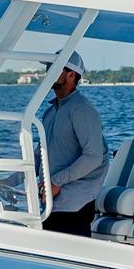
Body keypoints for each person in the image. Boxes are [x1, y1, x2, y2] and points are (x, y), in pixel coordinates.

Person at [39, 50, 107, 235]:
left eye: (54, 67)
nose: (48, 71)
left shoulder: (82, 109)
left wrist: (56, 182)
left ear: (71, 75)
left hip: (74, 205)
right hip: (51, 203)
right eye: (48, 67)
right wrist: (11, 179)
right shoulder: (50, 112)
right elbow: (41, 154)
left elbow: (93, 157)